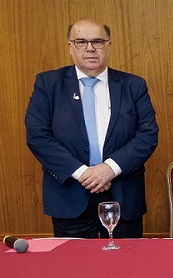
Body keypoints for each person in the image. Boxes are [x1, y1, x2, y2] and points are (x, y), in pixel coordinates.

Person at [24, 18, 159, 238]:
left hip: (122, 194)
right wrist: (83, 173)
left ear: (109, 45)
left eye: (97, 41)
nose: (90, 48)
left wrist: (109, 169)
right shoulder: (48, 84)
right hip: (69, 196)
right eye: (81, 42)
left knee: (126, 267)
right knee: (74, 268)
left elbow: (147, 135)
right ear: (70, 47)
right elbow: (38, 136)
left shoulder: (133, 85)